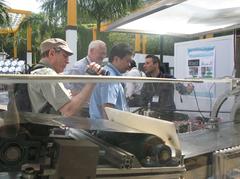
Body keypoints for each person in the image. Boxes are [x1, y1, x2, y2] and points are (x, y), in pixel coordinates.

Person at [28, 38, 103, 117]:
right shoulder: (47, 74)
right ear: (52, 53)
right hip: (47, 127)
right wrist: (92, 81)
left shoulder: (37, 71)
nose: (68, 61)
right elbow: (68, 111)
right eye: (65, 56)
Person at [89, 43, 133, 120]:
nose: (129, 65)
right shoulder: (110, 78)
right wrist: (110, 131)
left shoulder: (108, 73)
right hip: (109, 128)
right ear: (116, 59)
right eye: (127, 61)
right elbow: (108, 110)